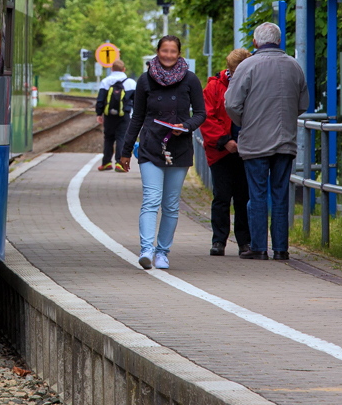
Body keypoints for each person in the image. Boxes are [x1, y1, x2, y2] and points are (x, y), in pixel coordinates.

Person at [224, 22, 309, 261]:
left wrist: (245, 121)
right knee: (281, 193)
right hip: (286, 142)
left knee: (257, 194)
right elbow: (303, 104)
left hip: (255, 142)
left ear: (254, 42)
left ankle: (259, 247)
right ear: (279, 41)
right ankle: (281, 249)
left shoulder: (247, 66)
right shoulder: (294, 66)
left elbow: (231, 104)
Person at [121, 35, 205, 270]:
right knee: (151, 200)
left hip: (179, 150)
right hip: (151, 148)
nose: (168, 55)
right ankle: (146, 250)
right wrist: (126, 151)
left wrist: (185, 126)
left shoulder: (190, 80)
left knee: (170, 205)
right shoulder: (145, 81)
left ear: (179, 53)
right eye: (164, 51)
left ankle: (162, 252)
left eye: (173, 51)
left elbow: (200, 113)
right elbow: (137, 117)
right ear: (157, 52)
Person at [199, 48, 252, 256]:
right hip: (220, 152)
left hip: (246, 150)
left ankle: (244, 243)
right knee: (221, 197)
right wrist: (225, 140)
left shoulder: (252, 84)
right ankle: (219, 240)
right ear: (230, 69)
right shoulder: (214, 87)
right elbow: (206, 117)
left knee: (243, 198)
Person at [95, 59, 136, 172]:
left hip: (109, 115)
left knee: (108, 138)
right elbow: (137, 101)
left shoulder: (106, 81)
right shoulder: (131, 83)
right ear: (124, 69)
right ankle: (120, 163)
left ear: (112, 69)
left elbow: (100, 99)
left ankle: (106, 163)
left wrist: (99, 113)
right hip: (124, 115)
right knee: (121, 137)